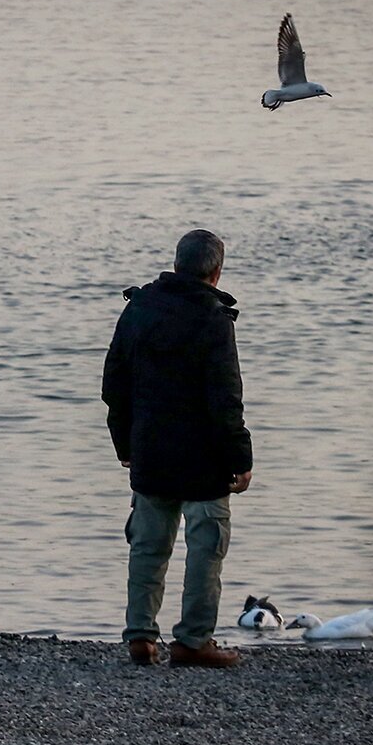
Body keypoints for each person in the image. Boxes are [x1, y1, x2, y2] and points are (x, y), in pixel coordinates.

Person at [102, 229, 253, 668]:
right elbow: (225, 398)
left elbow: (114, 382)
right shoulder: (213, 319)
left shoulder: (139, 308)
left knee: (147, 545)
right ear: (216, 272)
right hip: (204, 458)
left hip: (149, 447)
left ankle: (141, 635)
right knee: (205, 549)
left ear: (176, 263)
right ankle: (193, 640)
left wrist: (124, 441)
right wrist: (240, 457)